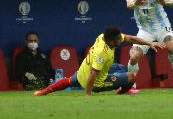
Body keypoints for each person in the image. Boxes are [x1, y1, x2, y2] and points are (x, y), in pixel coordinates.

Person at [34, 26, 164, 96]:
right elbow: (93, 75)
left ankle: (43, 92)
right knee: (131, 76)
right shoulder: (102, 53)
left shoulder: (104, 36)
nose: (121, 40)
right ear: (111, 41)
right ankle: (120, 93)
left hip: (81, 73)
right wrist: (88, 95)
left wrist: (149, 43)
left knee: (68, 80)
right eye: (119, 40)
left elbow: (131, 38)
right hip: (95, 82)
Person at [126, 0, 173, 93]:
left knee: (171, 47)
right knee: (133, 56)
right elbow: (129, 5)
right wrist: (135, 4)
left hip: (162, 27)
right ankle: (131, 86)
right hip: (145, 30)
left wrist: (165, 2)